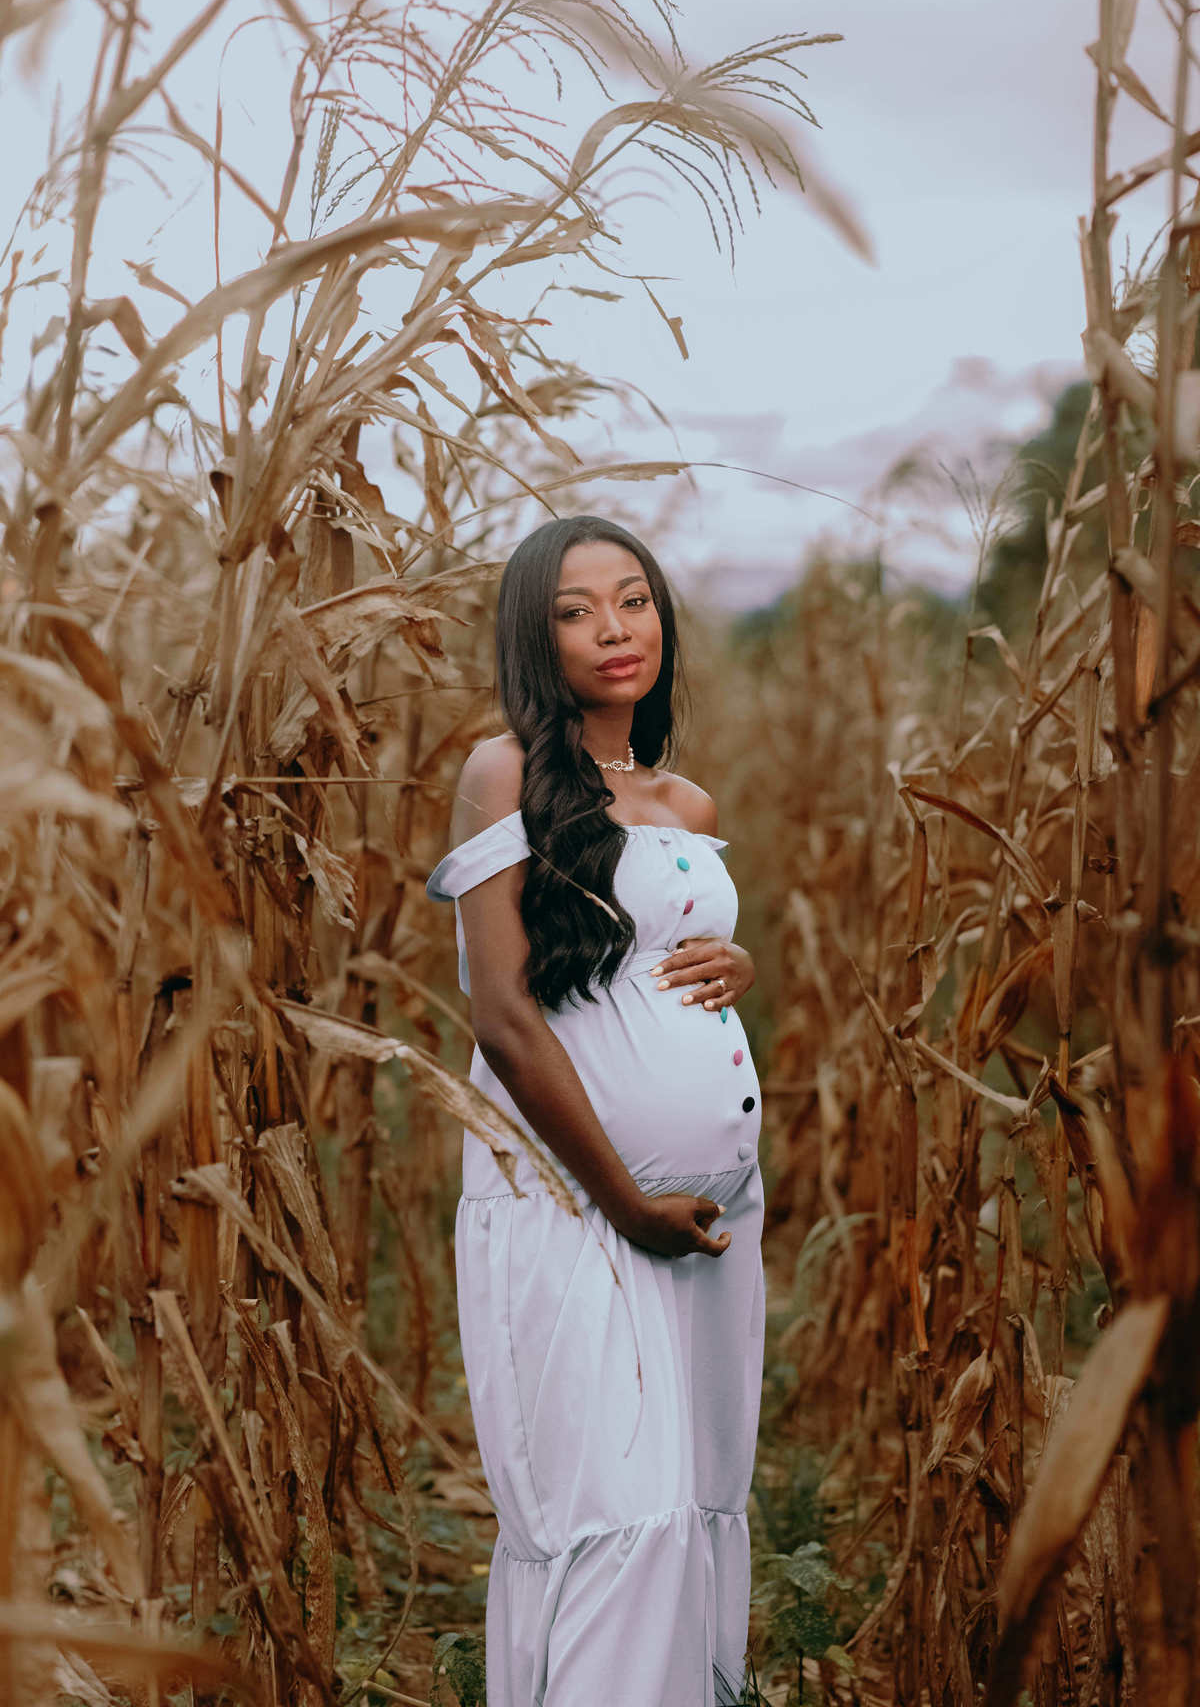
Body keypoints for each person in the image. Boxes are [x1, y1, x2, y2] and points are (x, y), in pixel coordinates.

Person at [426, 515, 765, 1707]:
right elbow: (504, 1018)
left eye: (634, 600)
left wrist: (738, 967)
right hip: (580, 1206)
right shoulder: (502, 771)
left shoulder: (685, 793)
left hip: (714, 1223)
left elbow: (659, 954)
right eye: (576, 610)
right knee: (619, 1511)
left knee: (693, 1505)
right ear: (536, 635)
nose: (615, 630)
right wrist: (622, 1201)